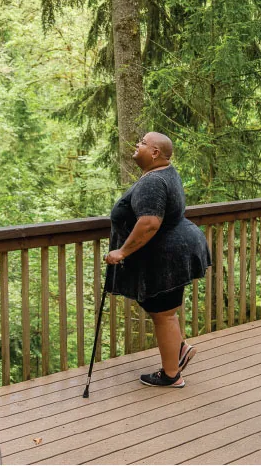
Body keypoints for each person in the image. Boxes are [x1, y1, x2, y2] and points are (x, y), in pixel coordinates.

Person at [104, 132, 211, 388]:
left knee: (163, 314)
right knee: (164, 311)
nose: (137, 145)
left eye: (142, 143)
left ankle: (171, 374)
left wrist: (122, 251)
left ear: (154, 153)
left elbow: (150, 222)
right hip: (173, 252)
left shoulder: (153, 182)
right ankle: (180, 349)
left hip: (166, 257)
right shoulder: (164, 173)